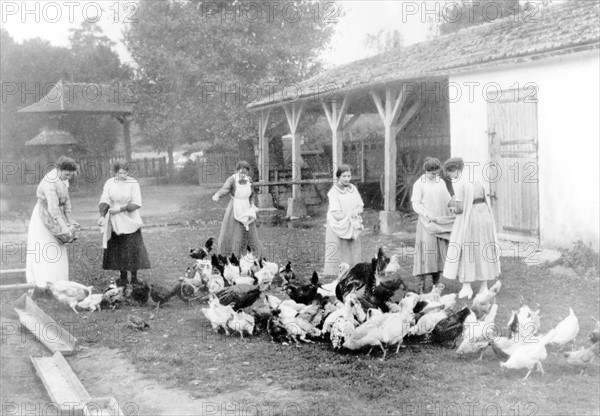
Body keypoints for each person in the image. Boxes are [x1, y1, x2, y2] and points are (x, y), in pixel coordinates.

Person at [442, 157, 501, 299]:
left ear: (454, 170)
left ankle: (467, 287)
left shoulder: (459, 181)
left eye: (450, 174)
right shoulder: (476, 175)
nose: (450, 177)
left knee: (467, 249)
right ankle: (484, 287)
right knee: (483, 248)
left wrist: (452, 210)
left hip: (471, 217)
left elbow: (461, 208)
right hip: (484, 215)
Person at [26, 156, 79, 287]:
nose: (68, 178)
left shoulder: (63, 178)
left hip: (56, 215)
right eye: (66, 174)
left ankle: (59, 284)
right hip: (43, 215)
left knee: (58, 248)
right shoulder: (50, 181)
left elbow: (66, 200)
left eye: (70, 176)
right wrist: (64, 227)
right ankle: (44, 284)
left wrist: (68, 220)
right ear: (59, 169)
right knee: (47, 249)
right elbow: (53, 207)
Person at [98, 161, 151, 287]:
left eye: (125, 172)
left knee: (133, 248)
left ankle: (134, 277)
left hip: (130, 217)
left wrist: (121, 209)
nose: (122, 175)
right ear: (115, 172)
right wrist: (102, 216)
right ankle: (122, 278)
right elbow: (105, 200)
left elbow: (137, 202)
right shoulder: (110, 183)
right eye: (119, 172)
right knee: (119, 248)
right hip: (115, 220)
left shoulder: (133, 183)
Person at [411, 157, 453, 293]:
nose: (435, 176)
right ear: (426, 171)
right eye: (432, 174)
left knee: (438, 255)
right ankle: (420, 287)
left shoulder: (440, 182)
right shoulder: (419, 184)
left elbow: (447, 200)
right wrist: (426, 214)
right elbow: (416, 204)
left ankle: (436, 284)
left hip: (439, 223)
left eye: (437, 173)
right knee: (426, 253)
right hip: (427, 224)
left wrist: (453, 207)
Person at [212, 161, 261, 257]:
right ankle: (233, 254)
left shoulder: (249, 180)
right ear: (237, 171)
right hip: (235, 208)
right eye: (241, 172)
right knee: (235, 231)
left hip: (246, 207)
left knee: (249, 232)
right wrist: (218, 194)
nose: (243, 175)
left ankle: (250, 254)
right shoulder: (232, 179)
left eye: (245, 173)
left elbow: (252, 194)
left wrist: (252, 204)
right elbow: (225, 189)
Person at [324, 164, 364, 276]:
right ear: (338, 177)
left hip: (351, 222)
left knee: (354, 247)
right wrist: (348, 215)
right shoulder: (334, 191)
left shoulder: (353, 188)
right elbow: (336, 214)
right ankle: (340, 273)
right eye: (344, 176)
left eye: (349, 176)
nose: (347, 179)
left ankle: (354, 270)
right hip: (339, 223)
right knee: (340, 248)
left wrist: (355, 212)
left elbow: (360, 206)